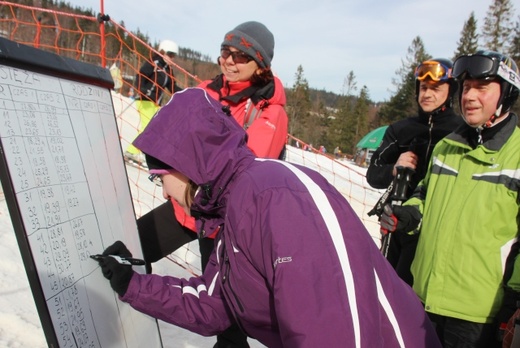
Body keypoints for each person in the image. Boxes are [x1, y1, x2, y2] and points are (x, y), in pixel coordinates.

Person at [96, 87, 441, 348]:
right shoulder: (232, 208)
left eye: (159, 177)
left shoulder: (275, 199)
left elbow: (333, 332)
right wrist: (132, 284)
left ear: (186, 163)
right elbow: (214, 302)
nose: (162, 191)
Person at [136, 21, 288, 348]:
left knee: (226, 318)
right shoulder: (206, 90)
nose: (230, 62)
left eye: (240, 56)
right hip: (187, 208)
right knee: (135, 246)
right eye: (225, 53)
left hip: (222, 226)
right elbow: (171, 137)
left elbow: (248, 170)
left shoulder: (269, 110)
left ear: (260, 65)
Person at [380, 50, 520, 347]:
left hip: (476, 316)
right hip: (423, 300)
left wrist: (515, 302)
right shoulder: (447, 147)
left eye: (482, 88)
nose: (469, 96)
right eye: (467, 87)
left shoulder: (517, 155)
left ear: (506, 93)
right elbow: (424, 196)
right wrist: (409, 216)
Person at [366, 58, 463, 286]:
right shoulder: (400, 130)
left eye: (436, 88)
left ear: (451, 92)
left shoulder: (459, 132)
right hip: (396, 224)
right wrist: (394, 168)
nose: (427, 94)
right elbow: (373, 175)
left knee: (418, 293)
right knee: (389, 288)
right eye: (423, 88)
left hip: (435, 228)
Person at [124, 39, 182, 167]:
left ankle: (135, 151)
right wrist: (142, 90)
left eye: (173, 56)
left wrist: (186, 93)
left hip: (155, 103)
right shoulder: (154, 63)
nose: (172, 58)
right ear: (162, 52)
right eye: (170, 54)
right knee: (148, 127)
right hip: (145, 99)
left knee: (154, 128)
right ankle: (131, 151)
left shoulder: (168, 70)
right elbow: (140, 76)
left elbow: (172, 87)